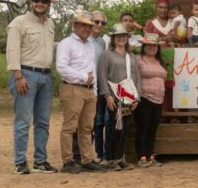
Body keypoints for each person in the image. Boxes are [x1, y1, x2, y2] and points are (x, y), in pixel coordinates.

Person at [7, 0, 58, 174]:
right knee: (23, 120)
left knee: (43, 121)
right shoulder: (19, 22)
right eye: (36, 0)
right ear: (31, 1)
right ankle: (20, 162)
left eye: (43, 1)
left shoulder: (50, 24)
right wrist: (18, 75)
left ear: (48, 4)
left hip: (46, 76)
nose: (39, 3)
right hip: (26, 75)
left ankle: (40, 161)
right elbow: (12, 49)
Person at [56, 11, 106, 174]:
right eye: (84, 25)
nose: (87, 28)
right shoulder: (66, 43)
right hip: (72, 88)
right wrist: (84, 77)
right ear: (75, 25)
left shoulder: (90, 45)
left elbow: (93, 69)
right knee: (70, 127)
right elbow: (61, 68)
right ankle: (68, 161)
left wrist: (95, 92)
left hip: (89, 91)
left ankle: (87, 159)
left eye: (89, 26)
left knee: (86, 127)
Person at [98, 23, 142, 171]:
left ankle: (120, 157)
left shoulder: (131, 56)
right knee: (113, 127)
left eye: (124, 36)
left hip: (128, 97)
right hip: (114, 96)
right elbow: (102, 76)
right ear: (113, 38)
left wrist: (137, 97)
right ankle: (110, 158)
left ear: (127, 38)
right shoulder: (106, 55)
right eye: (118, 36)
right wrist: (107, 96)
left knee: (124, 128)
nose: (121, 39)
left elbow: (137, 77)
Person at [135, 33, 168, 168]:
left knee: (153, 129)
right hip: (144, 98)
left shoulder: (161, 61)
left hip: (159, 100)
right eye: (148, 45)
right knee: (143, 128)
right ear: (144, 46)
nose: (151, 48)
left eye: (154, 45)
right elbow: (134, 77)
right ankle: (141, 157)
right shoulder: (138, 60)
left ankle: (150, 156)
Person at [90, 11, 112, 163]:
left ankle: (100, 154)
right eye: (96, 21)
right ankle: (84, 156)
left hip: (101, 85)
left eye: (102, 23)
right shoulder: (84, 40)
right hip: (87, 86)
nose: (99, 25)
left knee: (101, 122)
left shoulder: (101, 42)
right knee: (91, 123)